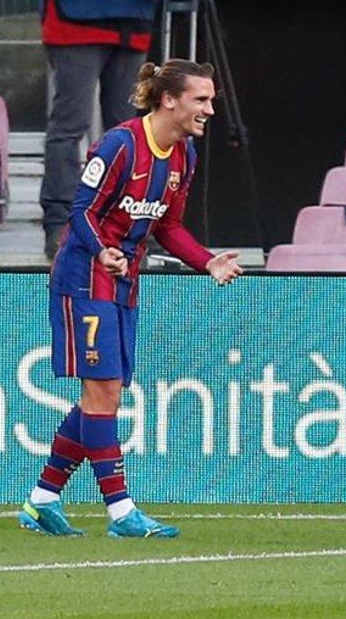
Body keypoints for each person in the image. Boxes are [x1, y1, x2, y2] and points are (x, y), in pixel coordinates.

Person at [18, 59, 243, 538]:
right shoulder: (121, 145)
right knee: (105, 394)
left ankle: (41, 500)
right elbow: (81, 213)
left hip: (124, 282)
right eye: (201, 100)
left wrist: (206, 262)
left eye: (211, 101)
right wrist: (103, 252)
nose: (209, 110)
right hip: (84, 278)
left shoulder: (184, 156)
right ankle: (121, 512)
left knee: (104, 397)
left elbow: (169, 226)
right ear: (169, 100)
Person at [26, 0, 157, 260]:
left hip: (133, 24)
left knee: (129, 133)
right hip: (75, 26)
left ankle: (126, 222)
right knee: (71, 126)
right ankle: (62, 223)